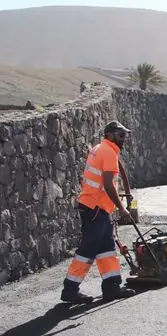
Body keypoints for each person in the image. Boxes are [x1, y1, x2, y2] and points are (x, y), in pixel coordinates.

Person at [61, 121, 138, 304]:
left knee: (106, 248)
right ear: (110, 135)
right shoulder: (109, 152)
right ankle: (70, 289)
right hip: (95, 208)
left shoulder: (100, 148)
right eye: (121, 135)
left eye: (125, 135)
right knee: (88, 248)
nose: (124, 139)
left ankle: (112, 287)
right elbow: (108, 185)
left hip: (96, 207)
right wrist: (122, 208)